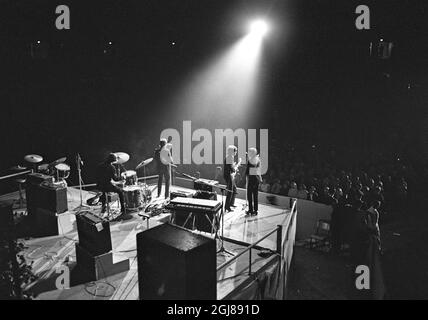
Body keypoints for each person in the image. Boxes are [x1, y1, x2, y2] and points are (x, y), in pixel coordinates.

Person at [223, 145, 241, 212]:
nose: (236, 153)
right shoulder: (230, 157)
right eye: (235, 151)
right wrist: (237, 166)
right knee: (230, 191)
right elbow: (232, 169)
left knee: (234, 189)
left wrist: (234, 166)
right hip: (228, 175)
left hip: (229, 175)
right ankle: (227, 207)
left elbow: (231, 166)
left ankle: (231, 204)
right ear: (232, 151)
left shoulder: (230, 157)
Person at [246, 147, 262, 216]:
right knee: (255, 195)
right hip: (256, 179)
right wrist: (260, 178)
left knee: (250, 195)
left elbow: (248, 171)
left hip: (252, 179)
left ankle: (251, 210)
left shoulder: (251, 160)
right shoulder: (257, 159)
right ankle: (255, 210)